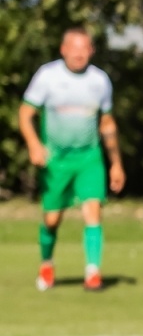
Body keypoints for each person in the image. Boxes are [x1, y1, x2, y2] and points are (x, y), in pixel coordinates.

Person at [19, 28, 124, 292]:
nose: (79, 54)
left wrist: (116, 163)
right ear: (63, 49)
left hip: (89, 157)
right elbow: (25, 113)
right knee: (52, 219)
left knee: (93, 210)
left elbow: (107, 123)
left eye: (84, 48)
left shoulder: (99, 81)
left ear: (92, 51)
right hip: (56, 160)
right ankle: (46, 263)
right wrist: (34, 144)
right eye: (74, 48)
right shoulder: (47, 76)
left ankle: (93, 272)